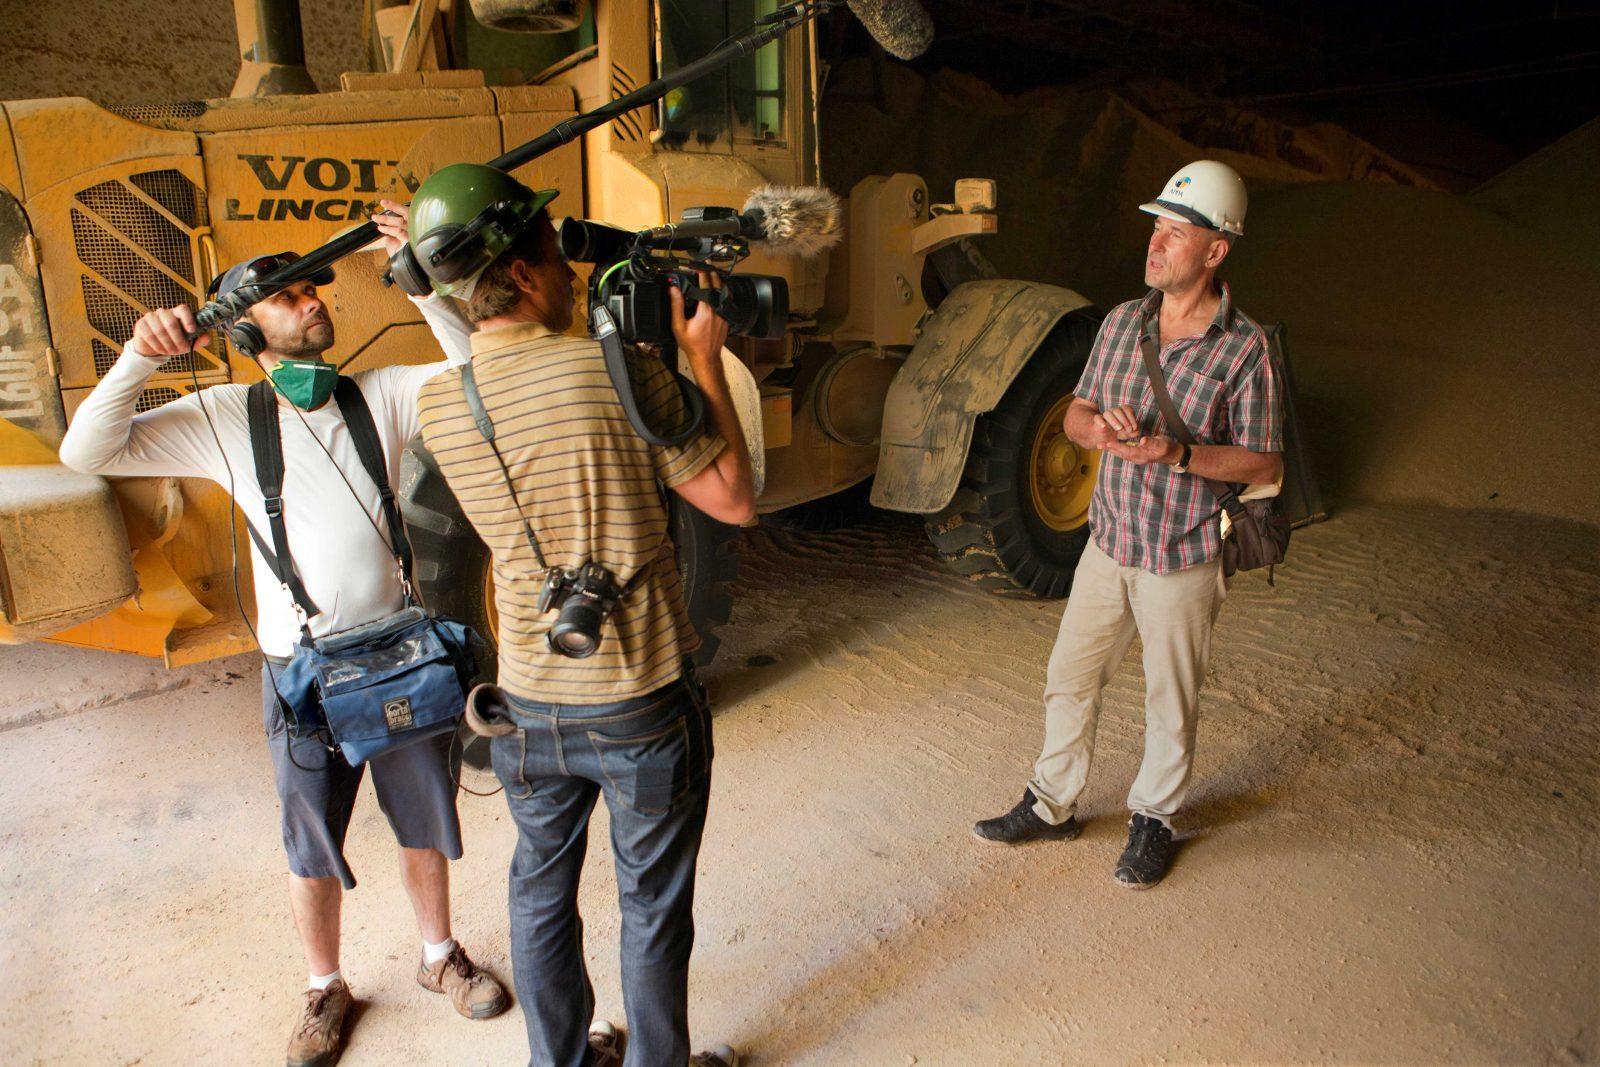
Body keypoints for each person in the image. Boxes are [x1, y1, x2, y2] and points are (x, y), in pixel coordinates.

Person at [58, 201, 509, 1067]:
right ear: (245, 331)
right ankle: (324, 986)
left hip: (398, 657)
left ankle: (438, 955)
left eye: (313, 289)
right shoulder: (226, 416)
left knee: (423, 817)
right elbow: (87, 452)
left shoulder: (379, 394)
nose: (311, 302)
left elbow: (479, 372)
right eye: (288, 296)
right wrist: (138, 356)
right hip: (301, 671)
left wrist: (420, 284)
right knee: (311, 838)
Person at [406, 164, 752, 1067]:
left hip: (527, 703)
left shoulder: (441, 401)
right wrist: (704, 360)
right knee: (651, 904)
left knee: (539, 889)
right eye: (557, 257)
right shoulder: (618, 371)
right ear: (522, 273)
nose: (571, 272)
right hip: (640, 699)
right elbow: (732, 497)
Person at [972, 160, 1285, 889]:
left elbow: (1264, 458)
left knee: (1170, 697)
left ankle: (1155, 818)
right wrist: (1099, 431)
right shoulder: (1120, 323)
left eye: (1176, 233)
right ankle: (1051, 803)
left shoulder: (1246, 348)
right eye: (1155, 229)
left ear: (1215, 251)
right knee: (1069, 676)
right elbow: (1078, 415)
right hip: (1109, 541)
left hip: (1183, 551)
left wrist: (1177, 453)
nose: (1156, 243)